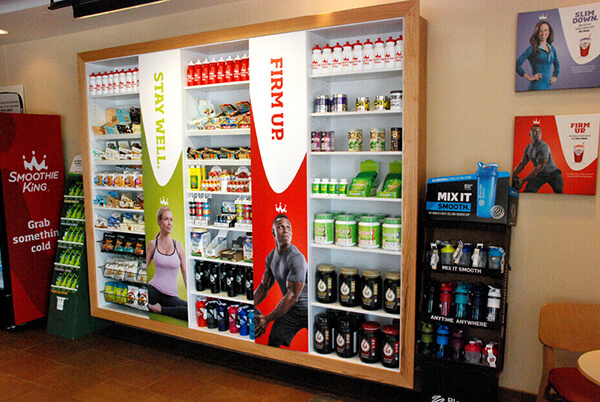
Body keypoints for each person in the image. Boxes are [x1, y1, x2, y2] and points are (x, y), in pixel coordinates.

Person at [254, 214, 308, 347]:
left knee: (322, 345)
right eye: (281, 227)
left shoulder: (296, 257)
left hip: (310, 310)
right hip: (291, 311)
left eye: (288, 227)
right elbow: (264, 286)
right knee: (273, 343)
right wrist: (248, 304)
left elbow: (292, 296)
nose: (286, 231)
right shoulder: (271, 257)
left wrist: (266, 319)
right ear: (273, 232)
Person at [146, 206, 188, 320]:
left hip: (170, 296)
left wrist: (191, 294)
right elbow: (144, 267)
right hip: (153, 289)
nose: (169, 223)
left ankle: (160, 309)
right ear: (159, 221)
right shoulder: (152, 244)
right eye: (165, 219)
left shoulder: (178, 246)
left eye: (171, 219)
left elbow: (185, 272)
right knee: (140, 299)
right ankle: (154, 307)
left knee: (190, 310)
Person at [513, 124, 563, 193]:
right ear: (530, 134)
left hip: (553, 174)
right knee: (528, 191)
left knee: (559, 193)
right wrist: (512, 174)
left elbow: (539, 167)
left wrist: (523, 180)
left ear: (541, 134)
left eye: (539, 131)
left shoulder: (544, 147)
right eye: (534, 131)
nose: (537, 133)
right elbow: (522, 164)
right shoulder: (528, 148)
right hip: (540, 174)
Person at [516, 20, 560, 90]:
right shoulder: (532, 48)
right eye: (540, 31)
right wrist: (529, 78)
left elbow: (557, 64)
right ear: (537, 33)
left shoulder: (552, 49)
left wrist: (555, 76)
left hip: (548, 87)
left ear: (549, 32)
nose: (543, 33)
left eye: (545, 30)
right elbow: (517, 64)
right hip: (536, 87)